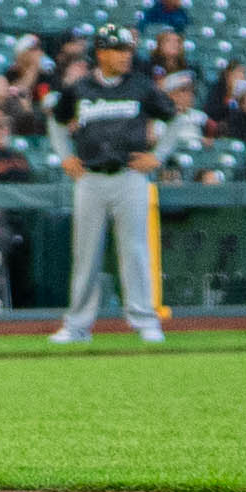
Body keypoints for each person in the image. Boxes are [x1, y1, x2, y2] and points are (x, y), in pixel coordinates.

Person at [48, 23, 174, 346]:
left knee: (135, 251)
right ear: (101, 53)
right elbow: (56, 120)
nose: (125, 56)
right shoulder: (81, 89)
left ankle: (145, 320)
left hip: (129, 176)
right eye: (118, 49)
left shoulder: (141, 87)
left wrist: (158, 155)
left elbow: (175, 117)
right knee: (86, 255)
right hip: (90, 178)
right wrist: (65, 156)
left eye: (128, 50)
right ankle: (77, 325)